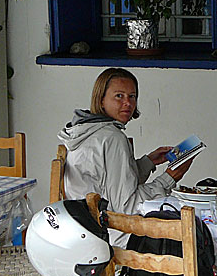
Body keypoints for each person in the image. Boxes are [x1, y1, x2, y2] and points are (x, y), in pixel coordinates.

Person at [58, 68, 193, 247]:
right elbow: (126, 208)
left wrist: (149, 162)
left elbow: (111, 183)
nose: (127, 103)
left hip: (80, 230)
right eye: (119, 96)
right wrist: (169, 178)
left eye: (132, 96)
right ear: (101, 100)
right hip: (109, 238)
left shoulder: (86, 130)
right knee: (188, 230)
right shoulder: (112, 138)